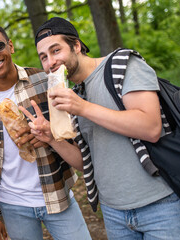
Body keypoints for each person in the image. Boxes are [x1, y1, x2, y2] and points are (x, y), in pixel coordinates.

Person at [34, 17, 180, 240]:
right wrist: (52, 139)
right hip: (114, 213)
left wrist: (82, 108)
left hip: (160, 206)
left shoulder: (122, 64)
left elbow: (150, 127)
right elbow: (87, 163)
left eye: (56, 50)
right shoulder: (75, 93)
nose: (50, 62)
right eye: (43, 57)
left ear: (76, 46)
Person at [0, 23, 91, 240]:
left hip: (57, 193)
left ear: (10, 46)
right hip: (12, 204)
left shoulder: (45, 81)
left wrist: (50, 136)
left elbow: (75, 131)